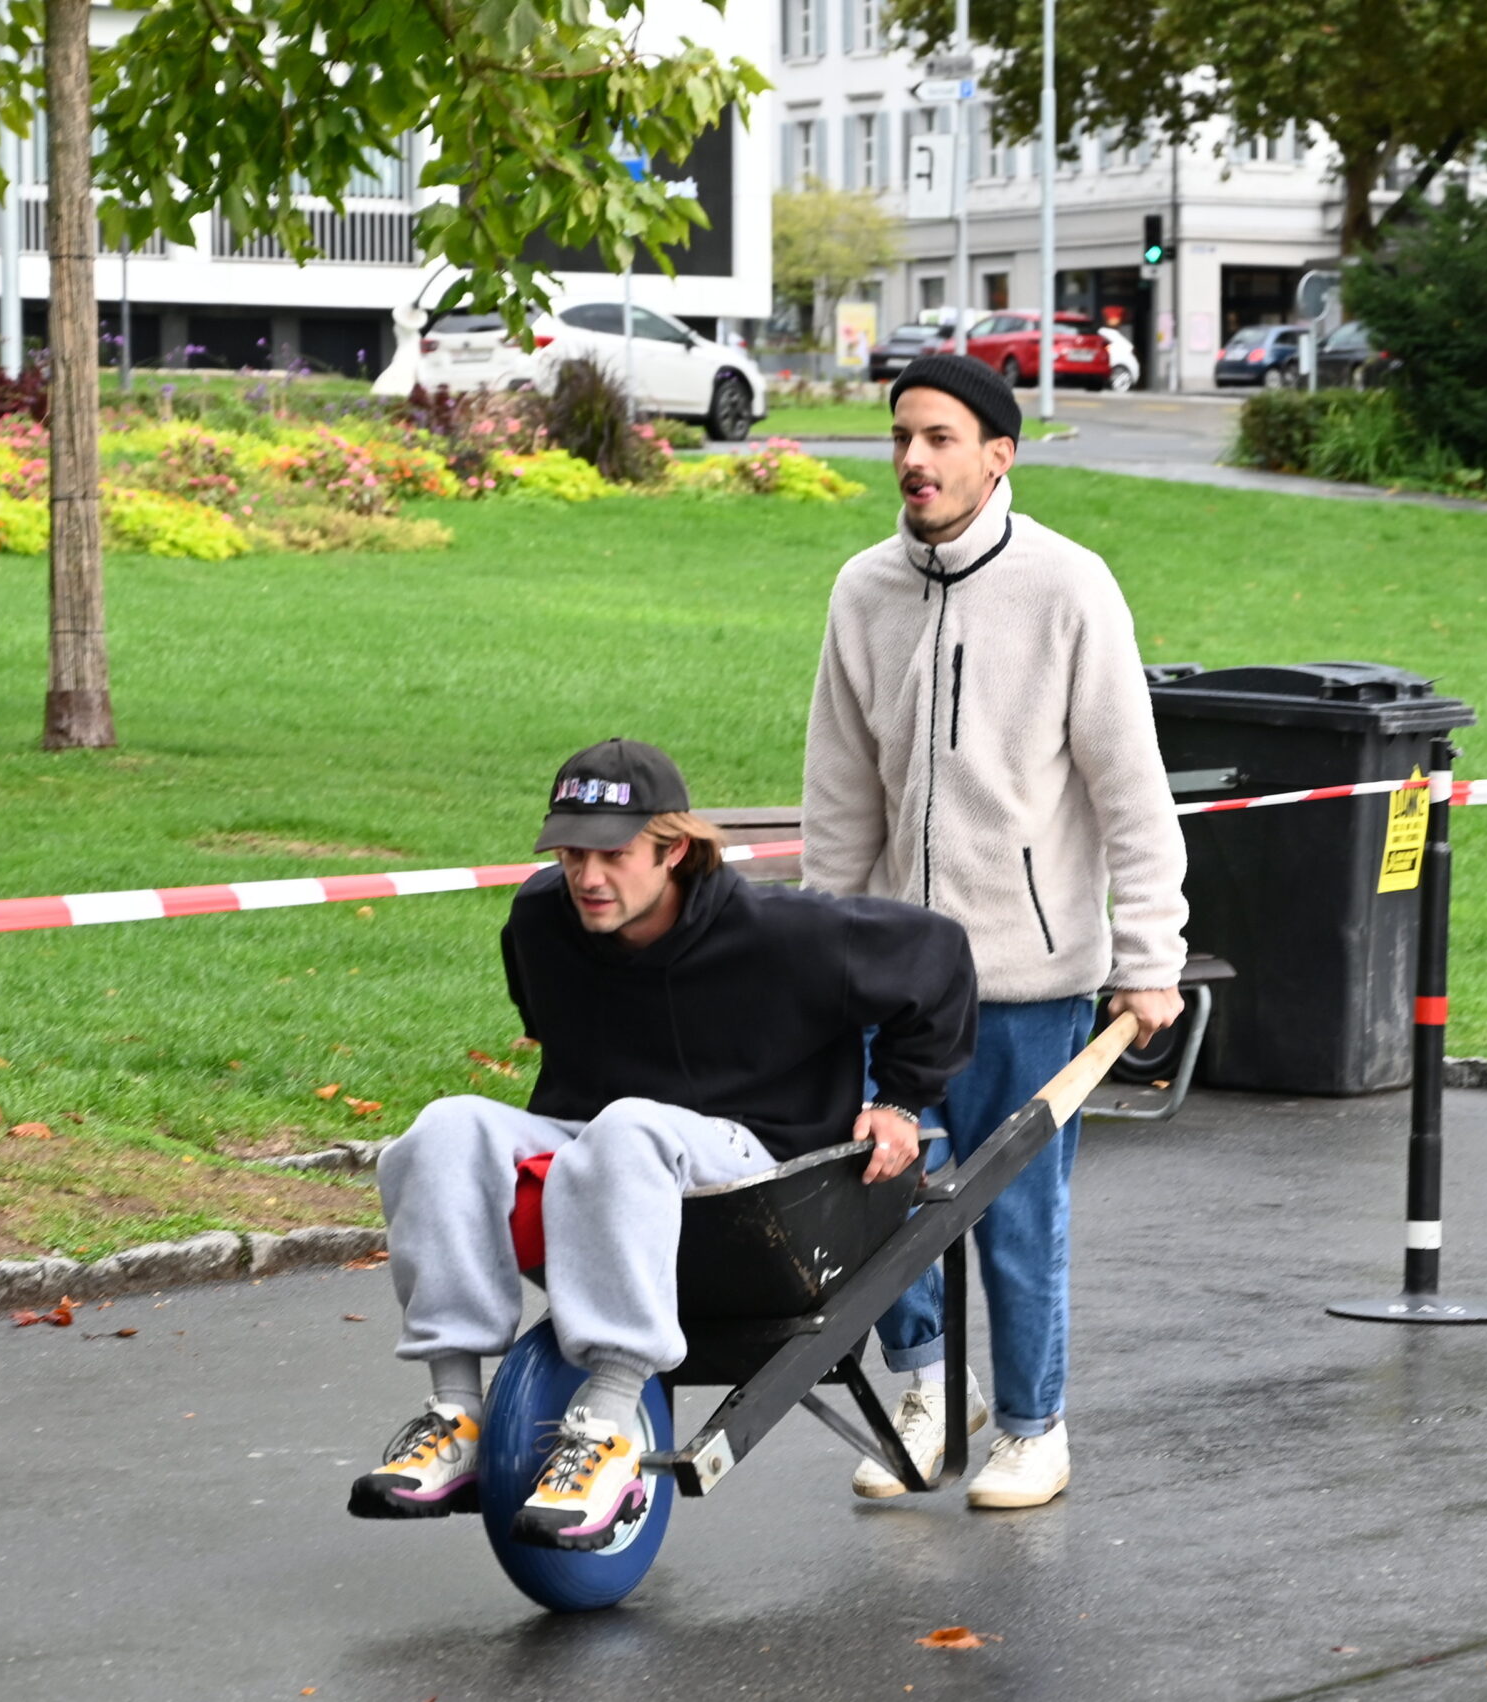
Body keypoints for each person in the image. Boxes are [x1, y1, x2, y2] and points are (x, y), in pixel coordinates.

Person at [348, 738, 975, 1548]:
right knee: (445, 1127)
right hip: (607, 1141)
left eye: (612, 855)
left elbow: (940, 957)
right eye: (570, 853)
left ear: (674, 850)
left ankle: (610, 1422)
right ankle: (458, 1413)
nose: (587, 878)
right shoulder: (542, 921)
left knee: (629, 1127)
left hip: (759, 1162)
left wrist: (897, 1098)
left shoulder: (787, 933)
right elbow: (543, 1016)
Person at [802, 352, 1189, 1510]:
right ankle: (926, 1400)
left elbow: (1132, 791)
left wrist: (1150, 957)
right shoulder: (861, 590)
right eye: (901, 439)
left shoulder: (1071, 588)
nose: (913, 460)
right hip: (890, 979)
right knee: (883, 1204)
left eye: (937, 439)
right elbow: (838, 799)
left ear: (997, 455)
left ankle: (1032, 1427)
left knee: (1017, 1216)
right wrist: (826, 956)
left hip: (1028, 978)